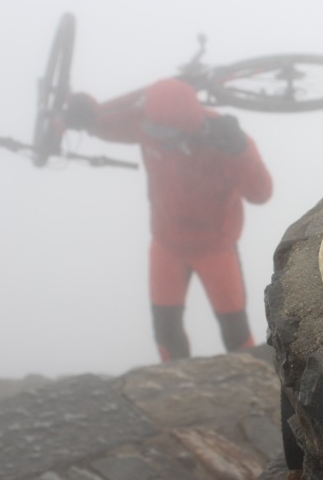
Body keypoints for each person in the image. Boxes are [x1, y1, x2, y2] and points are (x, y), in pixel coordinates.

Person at [62, 78, 272, 361]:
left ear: (187, 127)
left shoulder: (226, 140)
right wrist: (86, 113)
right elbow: (106, 123)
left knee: (235, 333)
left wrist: (240, 152)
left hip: (215, 249)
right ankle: (175, 388)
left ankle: (253, 392)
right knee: (165, 331)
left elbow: (260, 194)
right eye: (151, 127)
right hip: (167, 246)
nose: (154, 135)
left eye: (164, 132)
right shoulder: (149, 124)